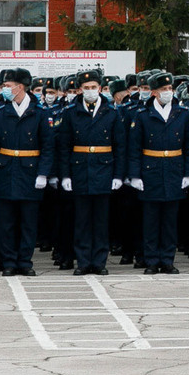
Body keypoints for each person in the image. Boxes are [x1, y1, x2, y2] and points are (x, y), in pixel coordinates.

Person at [0, 66, 54, 276]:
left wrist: (43, 173)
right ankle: (9, 261)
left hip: (30, 172)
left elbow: (48, 146)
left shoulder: (39, 113)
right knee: (6, 222)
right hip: (6, 171)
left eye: (8, 85)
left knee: (28, 222)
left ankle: (25, 262)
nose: (5, 89)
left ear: (20, 87)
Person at [127, 70, 189, 273]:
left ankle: (167, 259)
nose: (168, 92)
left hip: (174, 171)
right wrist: (135, 175)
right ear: (154, 93)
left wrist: (188, 174)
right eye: (163, 89)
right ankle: (151, 260)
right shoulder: (142, 115)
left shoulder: (183, 114)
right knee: (150, 221)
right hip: (150, 171)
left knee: (169, 221)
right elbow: (134, 148)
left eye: (170, 89)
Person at [54, 69, 123, 274]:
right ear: (80, 90)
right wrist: (65, 175)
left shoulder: (111, 113)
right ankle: (84, 262)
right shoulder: (71, 113)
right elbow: (64, 147)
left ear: (101, 89)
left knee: (101, 221)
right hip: (80, 171)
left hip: (104, 169)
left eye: (94, 87)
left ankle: (99, 262)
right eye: (86, 88)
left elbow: (120, 146)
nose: (90, 91)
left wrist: (118, 175)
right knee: (82, 221)